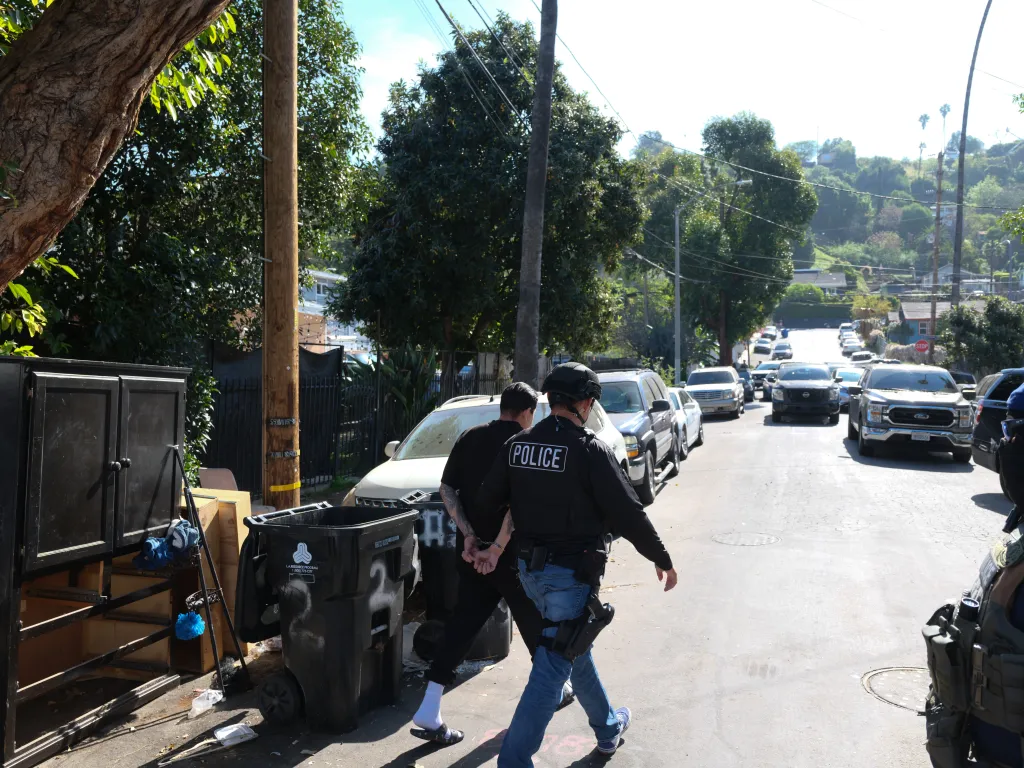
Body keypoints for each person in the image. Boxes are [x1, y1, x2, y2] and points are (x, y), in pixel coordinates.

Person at [474, 363, 678, 767]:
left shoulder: (517, 445)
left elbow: (486, 501)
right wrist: (662, 559)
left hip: (530, 574)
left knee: (573, 648)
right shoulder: (589, 449)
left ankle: (607, 728)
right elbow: (628, 512)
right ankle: (512, 761)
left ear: (551, 399)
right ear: (584, 402)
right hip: (570, 577)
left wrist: (492, 540)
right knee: (553, 665)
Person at [410, 382, 573, 746]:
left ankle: (430, 706)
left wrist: (469, 536)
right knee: (535, 621)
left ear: (503, 407)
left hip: (470, 555)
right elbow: (518, 504)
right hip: (509, 557)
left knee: (461, 626)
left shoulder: (469, 437)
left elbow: (447, 491)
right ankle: (556, 689)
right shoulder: (526, 443)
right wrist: (497, 548)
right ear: (529, 412)